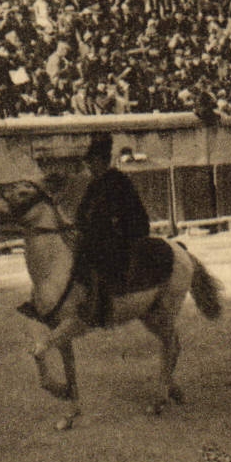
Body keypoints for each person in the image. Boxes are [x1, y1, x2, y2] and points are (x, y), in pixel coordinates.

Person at [72, 132, 151, 327]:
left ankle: (103, 306)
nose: (89, 166)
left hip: (127, 235)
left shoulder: (119, 180)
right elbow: (82, 212)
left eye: (92, 162)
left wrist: (112, 230)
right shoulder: (93, 185)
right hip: (102, 237)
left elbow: (131, 215)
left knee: (102, 257)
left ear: (101, 161)